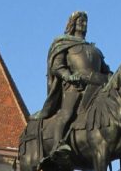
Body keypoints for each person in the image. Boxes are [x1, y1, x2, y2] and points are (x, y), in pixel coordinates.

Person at [32, 11, 111, 160]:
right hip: (75, 87)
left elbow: (105, 70)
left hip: (96, 89)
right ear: (73, 24)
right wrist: (69, 76)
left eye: (85, 21)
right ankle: (57, 145)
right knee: (67, 113)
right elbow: (57, 66)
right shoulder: (64, 44)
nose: (83, 24)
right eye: (80, 21)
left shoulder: (95, 50)